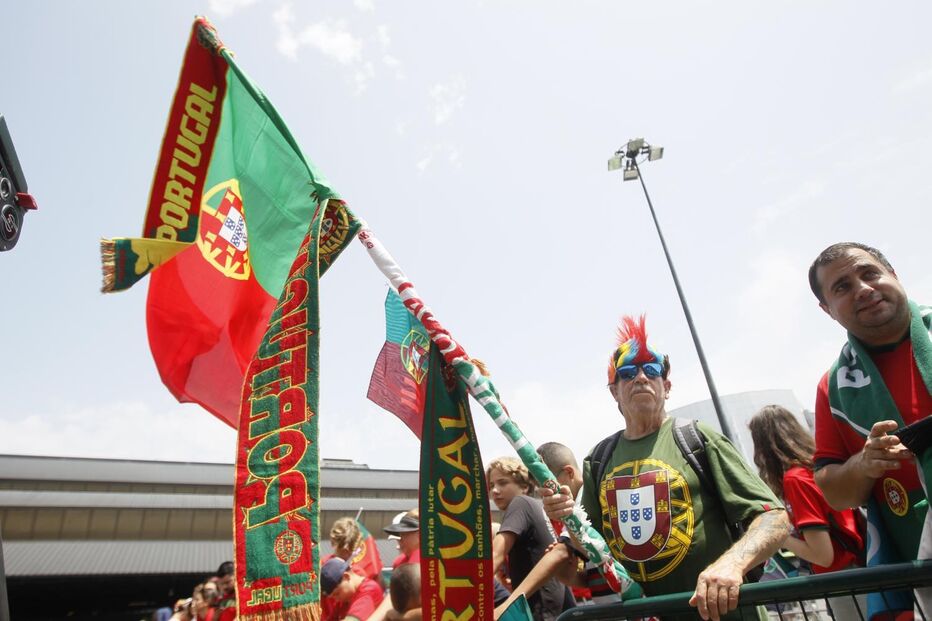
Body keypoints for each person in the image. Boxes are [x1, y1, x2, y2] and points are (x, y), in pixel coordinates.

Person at [542, 315, 789, 621]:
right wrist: (565, 514)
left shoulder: (698, 438)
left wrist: (732, 564)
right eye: (628, 372)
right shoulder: (598, 458)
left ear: (666, 385)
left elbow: (774, 517)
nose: (641, 377)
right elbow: (590, 545)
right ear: (614, 391)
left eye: (653, 370)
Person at [808, 242, 932, 616]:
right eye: (842, 287)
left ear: (893, 274)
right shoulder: (832, 389)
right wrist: (865, 463)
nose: (862, 288)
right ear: (827, 310)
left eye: (869, 273)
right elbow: (833, 490)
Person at [748, 404, 867, 617]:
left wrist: (777, 535)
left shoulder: (795, 480)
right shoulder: (814, 469)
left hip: (843, 580)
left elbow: (823, 556)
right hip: (861, 569)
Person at [494, 442, 617, 620]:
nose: (545, 498)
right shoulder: (569, 513)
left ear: (568, 473)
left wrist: (507, 605)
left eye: (547, 487)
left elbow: (560, 552)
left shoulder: (585, 501)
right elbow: (592, 577)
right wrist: (567, 575)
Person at [488, 456, 576, 621]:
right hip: (559, 611)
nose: (495, 490)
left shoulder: (520, 503)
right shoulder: (536, 507)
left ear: (524, 486)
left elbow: (494, 556)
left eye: (503, 483)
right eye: (492, 485)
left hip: (541, 612)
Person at [321, 557, 384, 621]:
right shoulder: (344, 601)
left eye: (337, 594)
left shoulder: (369, 590)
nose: (336, 599)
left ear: (346, 577)